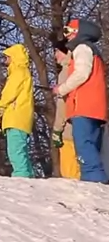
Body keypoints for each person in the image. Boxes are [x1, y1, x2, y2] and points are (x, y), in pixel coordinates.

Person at [53, 18, 108, 183]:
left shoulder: (82, 48)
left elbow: (81, 74)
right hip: (95, 108)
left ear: (79, 33)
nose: (67, 36)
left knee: (84, 145)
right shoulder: (93, 51)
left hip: (83, 106)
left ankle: (93, 180)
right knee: (92, 145)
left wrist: (61, 89)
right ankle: (96, 179)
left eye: (68, 31)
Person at [0, 44, 34, 178]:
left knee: (15, 150)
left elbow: (9, 94)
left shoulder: (19, 72)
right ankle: (27, 174)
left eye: (7, 57)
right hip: (18, 118)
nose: (5, 61)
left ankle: (21, 175)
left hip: (16, 117)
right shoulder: (22, 72)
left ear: (14, 58)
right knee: (20, 149)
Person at [51, 38, 80, 179]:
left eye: (56, 51)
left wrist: (57, 129)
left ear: (64, 52)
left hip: (69, 128)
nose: (55, 55)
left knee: (70, 173)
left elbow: (62, 103)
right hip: (83, 125)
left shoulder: (65, 72)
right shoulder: (78, 69)